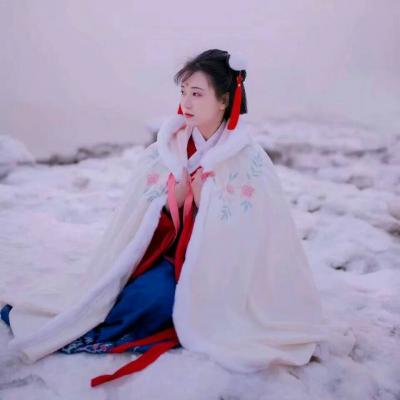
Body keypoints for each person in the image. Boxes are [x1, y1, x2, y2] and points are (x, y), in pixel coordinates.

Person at [1, 49, 329, 388]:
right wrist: (175, 200)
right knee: (139, 298)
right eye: (183, 92)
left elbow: (257, 232)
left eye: (197, 94)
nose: (186, 102)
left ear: (224, 100)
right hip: (164, 255)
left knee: (161, 302)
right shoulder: (167, 149)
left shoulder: (248, 158)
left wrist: (206, 201)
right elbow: (137, 216)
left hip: (222, 272)